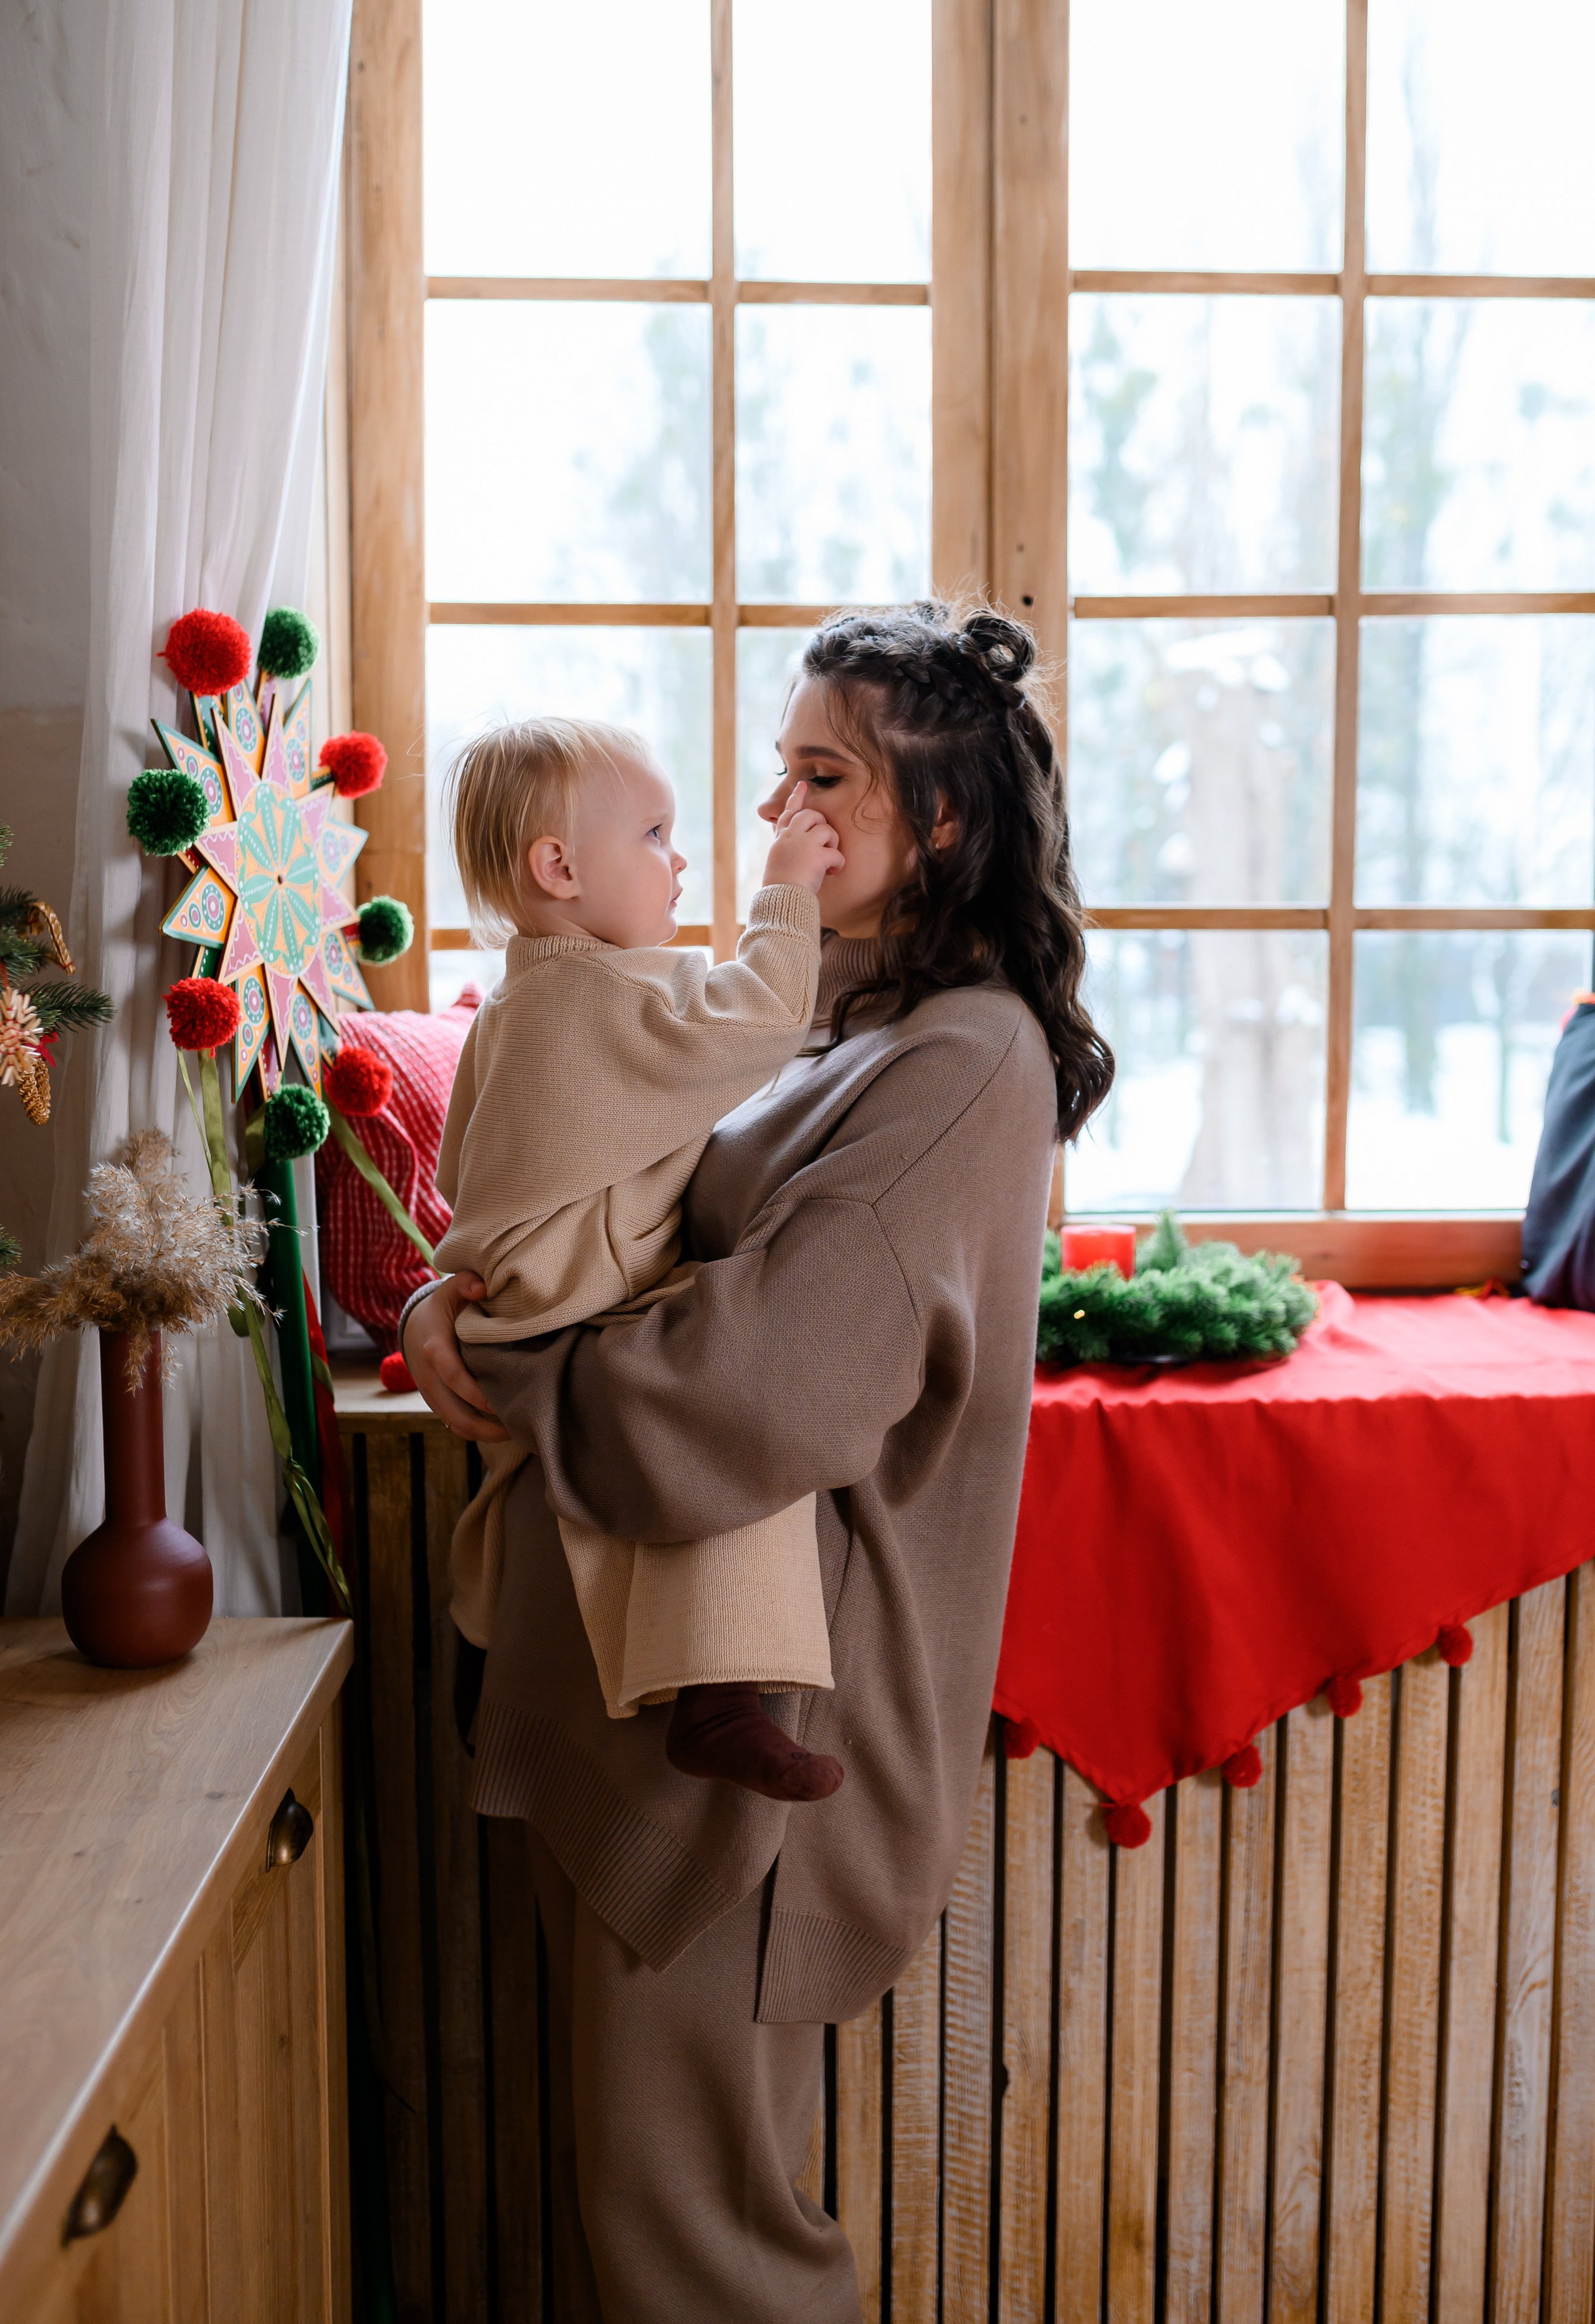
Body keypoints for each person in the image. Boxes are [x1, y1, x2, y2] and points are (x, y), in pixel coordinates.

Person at [402, 601, 1113, 2323]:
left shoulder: (962, 1058)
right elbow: (589, 1213)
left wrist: (496, 1353)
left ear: (938, 821)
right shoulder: (817, 1017)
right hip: (666, 1698)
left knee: (699, 2242)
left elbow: (770, 1382)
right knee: (656, 2209)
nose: (781, 811)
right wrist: (449, 1306)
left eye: (826, 776)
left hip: (750, 1739)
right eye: (779, 768)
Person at [432, 712, 847, 1801]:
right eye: (656, 835)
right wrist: (788, 890)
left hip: (521, 1307)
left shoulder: (521, 994)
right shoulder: (591, 992)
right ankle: (718, 1697)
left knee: (568, 1477)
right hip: (570, 1304)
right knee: (734, 1417)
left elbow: (455, 1159)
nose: (677, 860)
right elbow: (755, 1023)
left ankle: (500, 1663)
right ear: (559, 867)